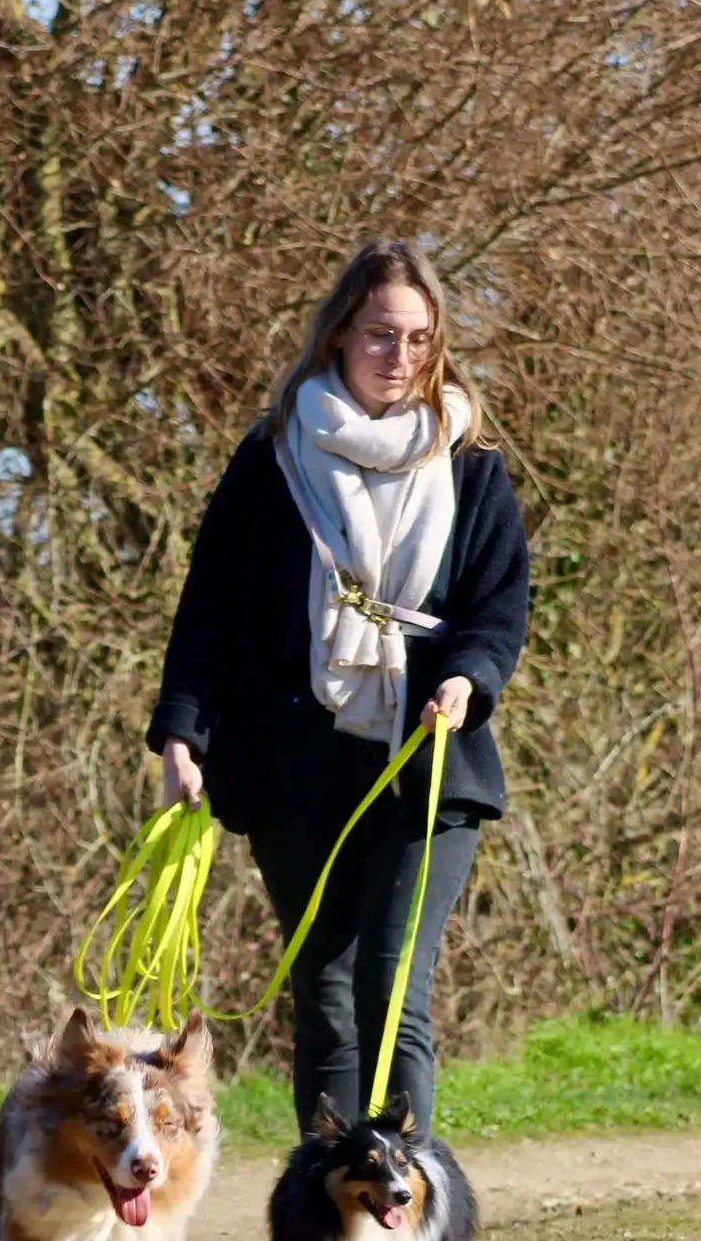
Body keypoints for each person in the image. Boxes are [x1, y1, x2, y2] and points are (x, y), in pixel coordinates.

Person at [148, 239, 529, 1135]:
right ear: (338, 337)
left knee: (393, 983)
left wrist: (470, 678)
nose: (399, 357)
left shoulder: (472, 462)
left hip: (428, 756)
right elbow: (210, 609)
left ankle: (406, 1222)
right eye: (380, 335)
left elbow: (498, 605)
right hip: (293, 759)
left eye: (419, 339)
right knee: (323, 992)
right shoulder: (270, 459)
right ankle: (326, 1230)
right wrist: (182, 736)